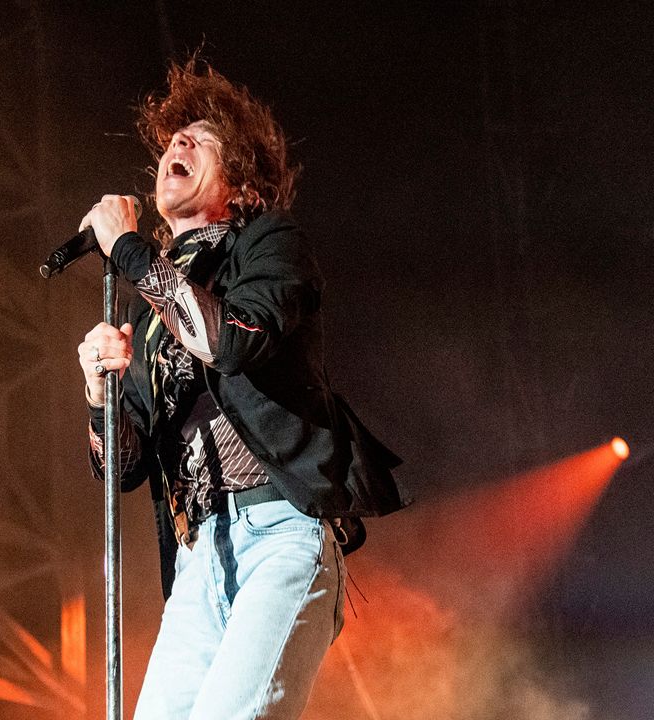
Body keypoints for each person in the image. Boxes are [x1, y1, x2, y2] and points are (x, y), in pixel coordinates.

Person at [76, 59, 407, 719]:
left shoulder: (268, 247)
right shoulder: (149, 314)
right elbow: (124, 465)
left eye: (200, 139)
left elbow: (230, 342)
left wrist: (134, 252)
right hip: (201, 558)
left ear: (243, 182)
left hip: (281, 530)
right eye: (173, 139)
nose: (177, 145)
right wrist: (97, 393)